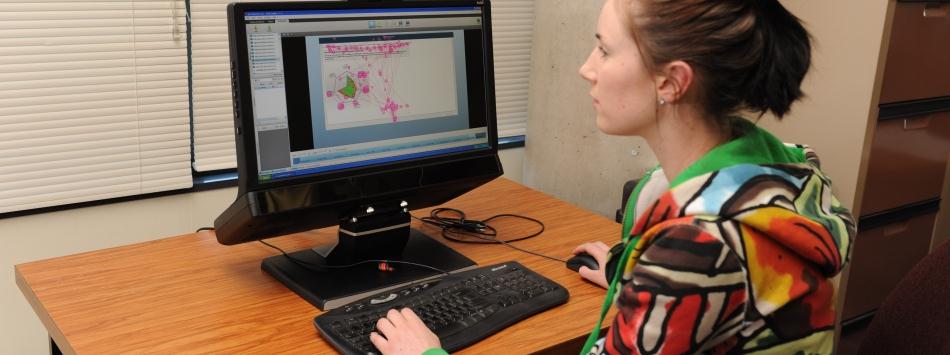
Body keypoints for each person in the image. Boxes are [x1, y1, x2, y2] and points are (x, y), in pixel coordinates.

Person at [368, 0, 855, 354]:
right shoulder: (779, 171)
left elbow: (707, 265)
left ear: (671, 82)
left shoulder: (700, 249)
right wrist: (635, 277)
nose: (586, 68)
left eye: (604, 50)